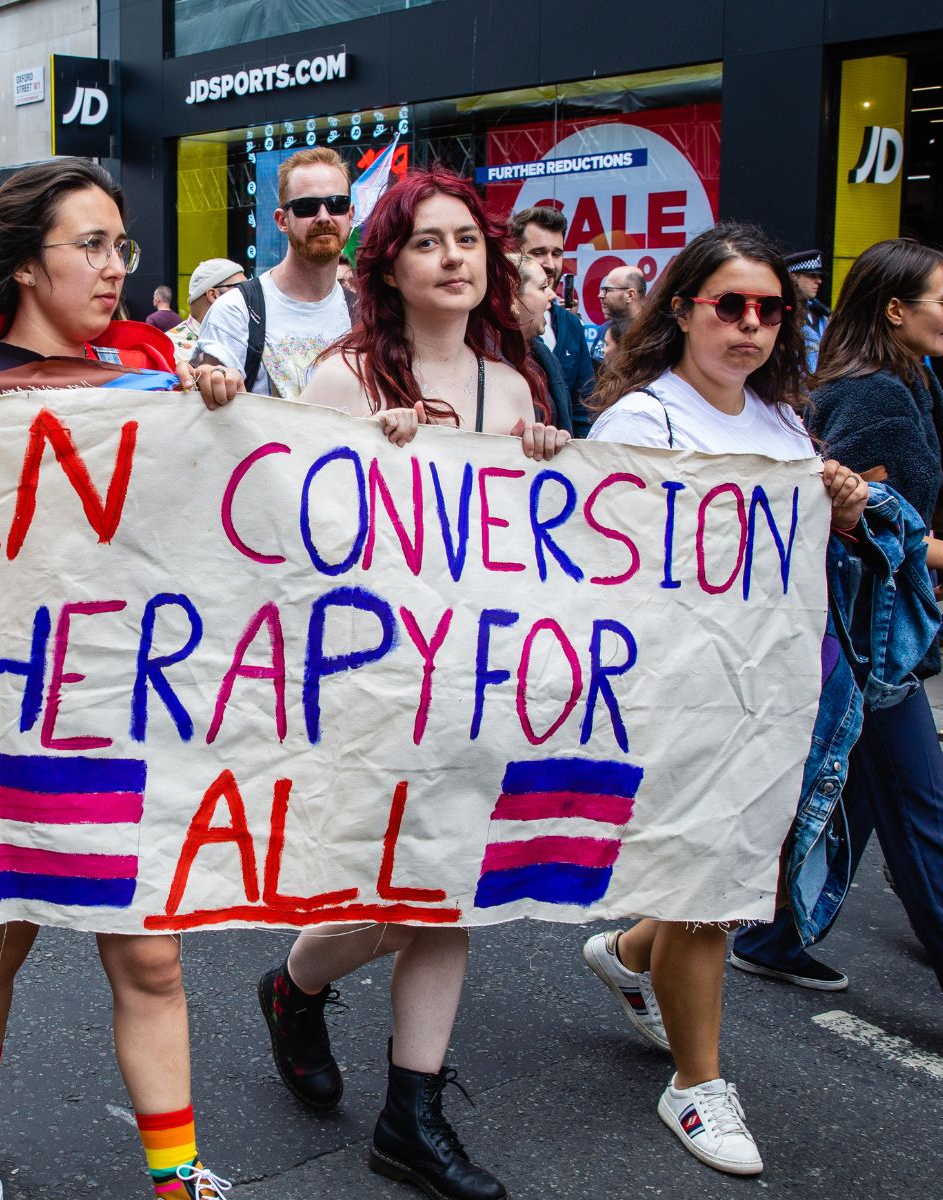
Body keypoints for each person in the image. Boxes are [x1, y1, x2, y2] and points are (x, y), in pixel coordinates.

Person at [0, 157, 235, 1200]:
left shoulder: (151, 360)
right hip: (3, 702)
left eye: (119, 246)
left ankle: (176, 1175)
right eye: (90, 246)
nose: (114, 267)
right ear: (24, 263)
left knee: (151, 956)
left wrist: (219, 414)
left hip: (126, 698)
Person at [261, 167, 565, 1200]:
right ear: (389, 266)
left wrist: (548, 463)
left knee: (449, 893)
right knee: (396, 898)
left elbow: (522, 539)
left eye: (467, 239)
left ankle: (411, 1111)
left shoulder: (512, 386)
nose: (453, 258)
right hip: (371, 682)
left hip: (473, 680)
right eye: (428, 242)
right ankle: (295, 986)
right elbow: (289, 534)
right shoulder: (343, 380)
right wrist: (367, 459)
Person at [725, 237, 943, 1065]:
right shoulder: (873, 394)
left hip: (879, 635)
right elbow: (849, 521)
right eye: (942, 299)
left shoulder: (911, 380)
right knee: (923, 820)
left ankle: (774, 938)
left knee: (853, 799)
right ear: (895, 309)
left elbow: (924, 499)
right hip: (869, 645)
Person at [579, 222, 867, 1178]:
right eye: (729, 306)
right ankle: (696, 1085)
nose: (749, 326)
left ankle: (630, 953)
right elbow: (599, 562)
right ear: (683, 310)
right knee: (710, 882)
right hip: (677, 692)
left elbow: (796, 552)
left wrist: (839, 507)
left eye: (769, 311)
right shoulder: (642, 423)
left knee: (728, 863)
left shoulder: (782, 422)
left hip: (768, 688)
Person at [194, 146, 354, 400]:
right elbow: (213, 408)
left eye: (337, 204)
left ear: (350, 215)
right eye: (306, 207)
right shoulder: (236, 311)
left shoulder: (366, 314)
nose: (324, 217)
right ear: (282, 220)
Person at [509, 205, 596, 409]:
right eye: (538, 252)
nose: (550, 264)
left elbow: (584, 405)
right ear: (515, 254)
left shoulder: (571, 325)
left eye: (556, 254)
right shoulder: (488, 327)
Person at [511, 252, 577, 433]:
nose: (553, 295)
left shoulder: (543, 357)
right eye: (542, 287)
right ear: (512, 297)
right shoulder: (483, 363)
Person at [164, 257, 244, 371]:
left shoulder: (249, 338)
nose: (249, 295)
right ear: (213, 295)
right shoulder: (169, 347)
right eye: (242, 288)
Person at [786, 249, 832, 371]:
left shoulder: (819, 313)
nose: (819, 281)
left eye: (819, 276)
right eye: (812, 276)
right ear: (794, 277)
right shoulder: (784, 313)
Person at [594, 265, 646, 362]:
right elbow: (595, 365)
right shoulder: (604, 330)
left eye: (607, 290)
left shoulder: (656, 332)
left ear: (630, 295)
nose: (600, 295)